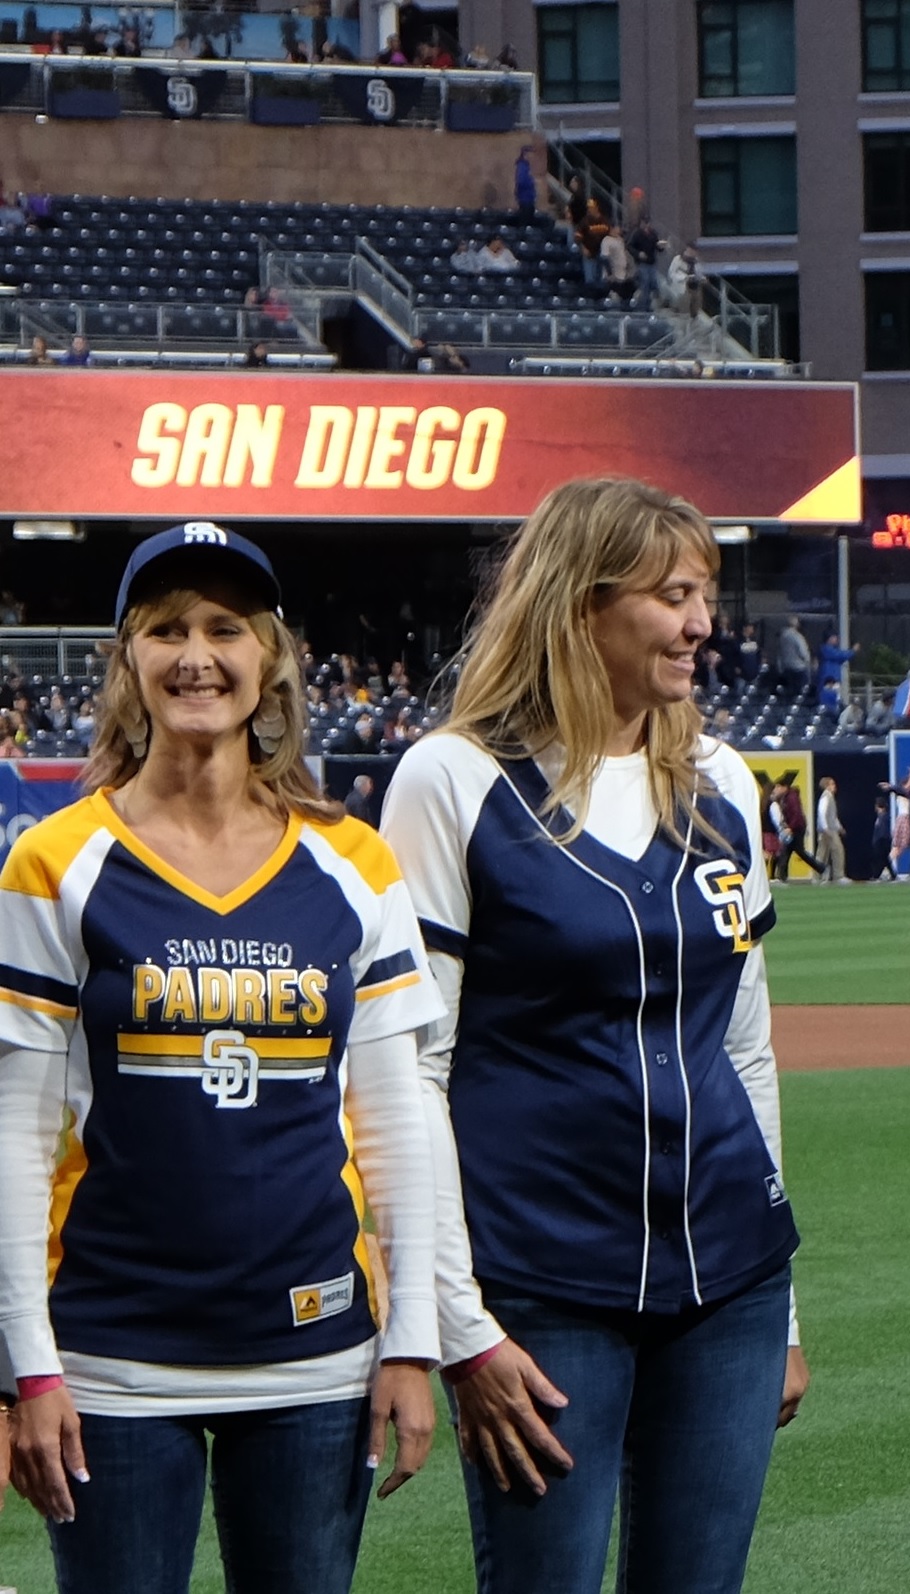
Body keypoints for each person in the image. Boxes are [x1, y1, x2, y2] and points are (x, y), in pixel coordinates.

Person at [377, 478, 806, 1594]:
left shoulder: (720, 780)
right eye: (673, 593)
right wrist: (457, 1324)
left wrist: (788, 1302)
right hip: (542, 1287)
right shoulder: (453, 779)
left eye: (705, 592)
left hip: (733, 1286)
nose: (703, 622)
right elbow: (414, 1068)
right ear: (581, 604)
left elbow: (745, 1047)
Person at [0, 522, 443, 1590]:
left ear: (271, 657)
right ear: (126, 661)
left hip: (316, 1355)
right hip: (110, 1359)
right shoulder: (55, 861)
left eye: (224, 628)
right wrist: (27, 1366)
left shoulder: (355, 862)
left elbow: (396, 1114)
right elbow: (14, 1137)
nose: (196, 654)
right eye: (166, 629)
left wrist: (413, 1341)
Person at [771, 769, 822, 881]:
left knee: (798, 851)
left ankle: (821, 868)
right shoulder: (785, 797)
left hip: (797, 828)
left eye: (777, 787)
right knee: (787, 851)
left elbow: (796, 814)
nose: (775, 790)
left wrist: (790, 828)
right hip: (795, 827)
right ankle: (782, 876)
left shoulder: (791, 797)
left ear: (783, 787)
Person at [815, 774, 846, 883]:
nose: (834, 786)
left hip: (829, 829)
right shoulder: (826, 797)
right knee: (837, 851)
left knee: (822, 854)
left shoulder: (830, 797)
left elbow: (833, 816)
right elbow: (822, 813)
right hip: (828, 830)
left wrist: (839, 827)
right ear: (827, 786)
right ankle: (839, 876)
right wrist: (826, 828)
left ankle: (817, 877)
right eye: (832, 784)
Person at [776, 618, 813, 701]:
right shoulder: (797, 636)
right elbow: (803, 652)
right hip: (799, 667)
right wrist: (808, 661)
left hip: (786, 667)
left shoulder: (782, 636)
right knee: (802, 692)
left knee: (789, 693)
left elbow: (779, 653)